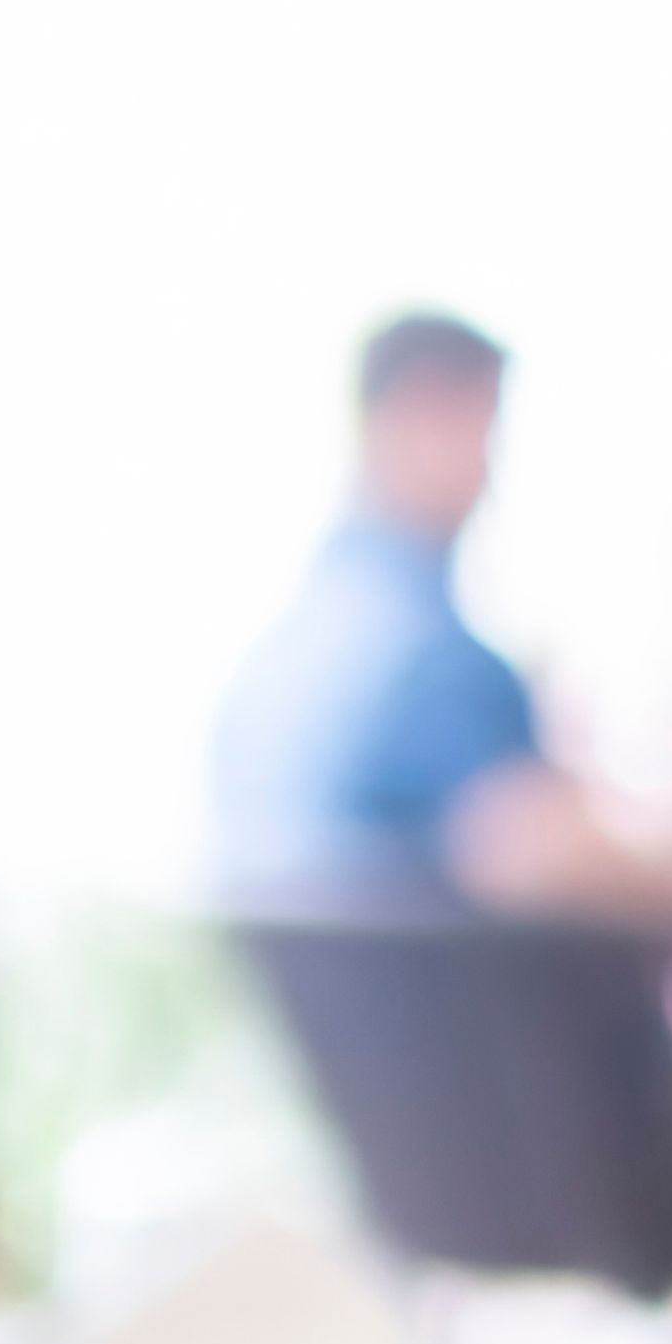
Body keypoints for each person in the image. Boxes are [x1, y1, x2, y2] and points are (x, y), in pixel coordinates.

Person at [208, 310, 556, 904]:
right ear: (417, 412)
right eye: (482, 430)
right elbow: (535, 848)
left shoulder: (282, 653)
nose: (490, 476)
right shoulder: (430, 665)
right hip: (456, 993)